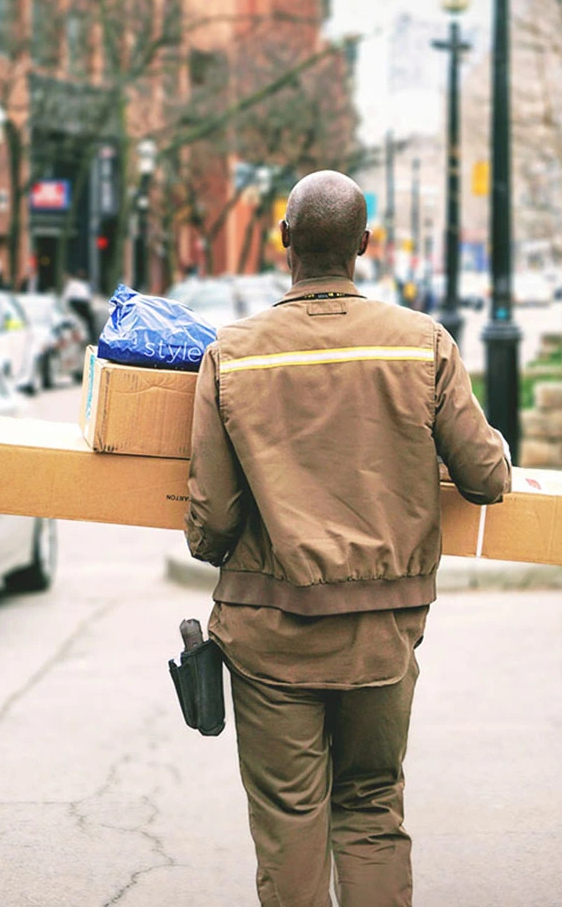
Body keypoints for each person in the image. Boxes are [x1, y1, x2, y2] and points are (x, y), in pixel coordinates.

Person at [185, 170, 510, 906]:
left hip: (270, 635)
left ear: (284, 242)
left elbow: (213, 522)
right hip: (381, 635)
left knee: (291, 822)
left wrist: (217, 541)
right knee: (368, 809)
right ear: (365, 245)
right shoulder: (421, 345)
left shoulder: (231, 355)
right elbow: (487, 477)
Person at [62, 268, 95, 344]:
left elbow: (66, 297)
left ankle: (90, 338)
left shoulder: (75, 283)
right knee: (88, 321)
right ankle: (90, 338)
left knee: (87, 321)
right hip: (79, 303)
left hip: (79, 303)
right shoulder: (78, 284)